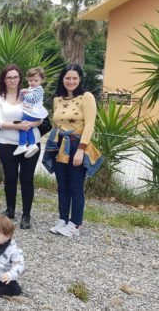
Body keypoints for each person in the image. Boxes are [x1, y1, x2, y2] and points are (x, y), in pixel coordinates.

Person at [42, 64, 102, 237]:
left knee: (76, 185)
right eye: (67, 77)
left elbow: (90, 125)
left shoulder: (86, 97)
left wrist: (81, 150)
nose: (71, 81)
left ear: (80, 79)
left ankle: (75, 223)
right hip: (60, 145)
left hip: (77, 144)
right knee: (62, 185)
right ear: (62, 79)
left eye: (75, 78)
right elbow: (57, 123)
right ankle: (62, 219)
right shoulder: (57, 99)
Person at [0, 65, 43, 229]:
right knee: (10, 177)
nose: (12, 80)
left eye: (15, 77)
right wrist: (19, 126)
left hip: (30, 143)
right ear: (4, 80)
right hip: (7, 144)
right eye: (9, 77)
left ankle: (26, 214)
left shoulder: (30, 95)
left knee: (27, 179)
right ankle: (10, 209)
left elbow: (41, 117)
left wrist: (32, 123)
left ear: (20, 78)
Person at [13, 67, 49, 157]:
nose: (32, 82)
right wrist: (22, 92)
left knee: (22, 125)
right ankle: (32, 144)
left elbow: (34, 99)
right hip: (29, 111)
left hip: (34, 113)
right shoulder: (29, 89)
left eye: (35, 80)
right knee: (29, 127)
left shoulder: (39, 90)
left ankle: (22, 145)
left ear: (41, 80)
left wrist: (26, 94)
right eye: (30, 80)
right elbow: (21, 99)